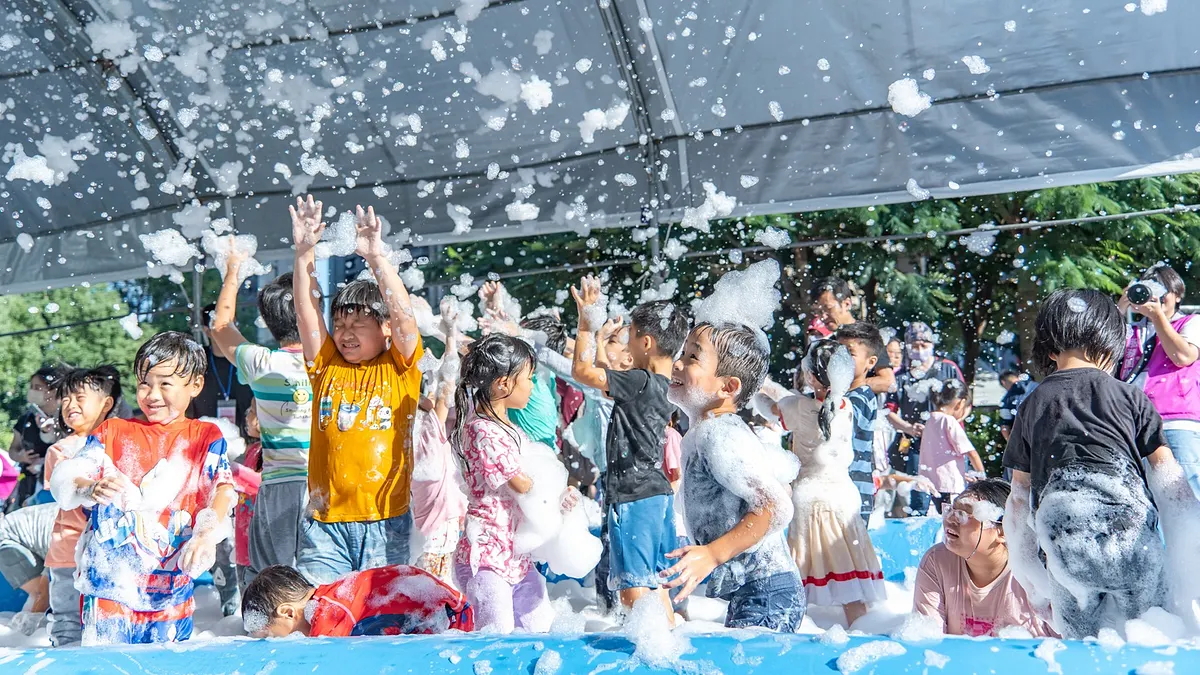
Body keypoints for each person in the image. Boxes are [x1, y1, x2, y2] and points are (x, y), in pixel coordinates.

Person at [1004, 289, 1188, 639]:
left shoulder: (1033, 403)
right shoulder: (1130, 396)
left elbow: (1017, 497)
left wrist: (1029, 573)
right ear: (1109, 343)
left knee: (1082, 649)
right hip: (1132, 543)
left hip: (1066, 549)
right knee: (1152, 640)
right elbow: (1171, 483)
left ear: (1050, 347)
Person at [50, 331, 236, 645]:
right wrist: (87, 487)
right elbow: (72, 476)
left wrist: (205, 534)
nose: (151, 394)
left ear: (195, 385)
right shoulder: (113, 430)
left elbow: (223, 489)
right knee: (106, 665)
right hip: (110, 583)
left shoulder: (205, 436)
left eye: (165, 383)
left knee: (168, 665)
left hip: (171, 584)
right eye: (144, 384)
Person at [291, 198, 423, 585]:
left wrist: (377, 258)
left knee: (382, 620)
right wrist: (304, 253)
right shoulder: (326, 367)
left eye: (358, 323)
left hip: (386, 522)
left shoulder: (401, 368)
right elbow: (306, 313)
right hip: (323, 522)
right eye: (340, 323)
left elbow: (405, 320)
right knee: (322, 618)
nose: (345, 333)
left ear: (383, 329)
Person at [664, 322, 805, 631]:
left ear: (727, 387)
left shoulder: (719, 433)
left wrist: (713, 554)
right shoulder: (702, 432)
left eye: (692, 358)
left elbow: (773, 507)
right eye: (682, 352)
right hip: (759, 590)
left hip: (768, 591)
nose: (677, 362)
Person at [571, 276, 686, 621]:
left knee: (633, 587)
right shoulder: (668, 387)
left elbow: (581, 371)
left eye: (631, 338)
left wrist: (585, 324)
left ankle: (646, 654)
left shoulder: (638, 381)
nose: (628, 345)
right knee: (658, 584)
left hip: (633, 495)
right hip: (658, 493)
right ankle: (668, 640)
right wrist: (604, 343)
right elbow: (609, 381)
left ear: (647, 342)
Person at [209, 251, 313, 583]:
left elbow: (220, 326)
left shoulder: (262, 363)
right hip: (324, 484)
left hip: (278, 484)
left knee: (274, 579)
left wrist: (233, 269)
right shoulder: (331, 364)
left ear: (267, 322)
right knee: (318, 576)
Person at [451, 334, 553, 633]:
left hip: (514, 553)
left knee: (542, 629)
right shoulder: (481, 430)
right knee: (495, 638)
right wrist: (548, 489)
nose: (532, 386)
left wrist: (559, 497)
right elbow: (521, 485)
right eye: (529, 378)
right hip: (485, 553)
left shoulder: (508, 427)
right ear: (504, 384)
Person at [779, 341, 884, 628]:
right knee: (851, 585)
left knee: (796, 584)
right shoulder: (846, 406)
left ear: (811, 376)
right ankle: (862, 637)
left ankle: (789, 647)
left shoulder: (797, 406)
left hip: (811, 500)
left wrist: (759, 383)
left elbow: (772, 409)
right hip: (843, 497)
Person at [913, 479, 1055, 637]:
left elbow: (1065, 650)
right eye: (951, 510)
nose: (951, 519)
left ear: (1003, 530)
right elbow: (927, 641)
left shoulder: (1037, 575)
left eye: (963, 514)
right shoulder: (937, 561)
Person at [43, 366, 123, 647]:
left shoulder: (120, 443)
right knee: (67, 620)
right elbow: (67, 483)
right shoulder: (59, 450)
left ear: (107, 403)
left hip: (108, 551)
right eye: (64, 399)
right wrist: (89, 488)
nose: (69, 405)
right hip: (67, 551)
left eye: (79, 397)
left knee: (106, 622)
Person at [1118, 264, 1200, 500]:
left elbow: (1183, 356)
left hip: (1176, 422)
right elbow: (1098, 352)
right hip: (1134, 426)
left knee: (1187, 496)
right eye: (1149, 289)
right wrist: (1120, 309)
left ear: (1177, 294)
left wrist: (1157, 318)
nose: (1156, 296)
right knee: (1145, 502)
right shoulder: (1132, 331)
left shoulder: (1191, 323)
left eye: (1163, 290)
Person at [241, 564, 472, 638]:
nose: (275, 642)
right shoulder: (333, 597)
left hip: (450, 620)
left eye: (271, 636)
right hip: (445, 609)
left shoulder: (328, 617)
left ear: (288, 613)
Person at [411, 305, 468, 587]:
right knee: (440, 596)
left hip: (424, 535)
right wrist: (450, 337)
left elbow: (440, 391)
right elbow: (447, 388)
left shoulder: (415, 433)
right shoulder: (429, 435)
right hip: (436, 539)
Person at [885, 322, 964, 516]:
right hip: (915, 444)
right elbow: (888, 411)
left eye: (924, 345)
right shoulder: (901, 376)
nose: (919, 350)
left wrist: (947, 424)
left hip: (948, 446)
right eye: (914, 346)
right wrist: (909, 428)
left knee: (949, 501)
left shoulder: (948, 368)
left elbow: (965, 404)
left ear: (932, 345)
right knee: (919, 500)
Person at [834, 322, 888, 524]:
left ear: (871, 362)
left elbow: (840, 424)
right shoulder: (843, 395)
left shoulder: (862, 396)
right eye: (837, 351)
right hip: (840, 488)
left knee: (849, 552)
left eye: (850, 353)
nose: (841, 359)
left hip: (856, 491)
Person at [810, 277, 894, 394]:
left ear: (847, 304)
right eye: (818, 312)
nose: (823, 317)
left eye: (828, 308)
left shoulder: (867, 337)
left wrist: (845, 385)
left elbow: (888, 382)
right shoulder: (828, 342)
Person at [920, 379, 986, 513]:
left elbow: (940, 454)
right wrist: (982, 477)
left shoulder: (930, 419)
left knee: (942, 520)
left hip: (933, 483)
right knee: (954, 520)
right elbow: (971, 452)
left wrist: (962, 474)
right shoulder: (949, 420)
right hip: (949, 485)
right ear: (961, 403)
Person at [8, 365, 68, 510]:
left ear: (52, 391)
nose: (32, 391)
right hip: (28, 483)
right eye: (32, 386)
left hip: (53, 487)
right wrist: (21, 456)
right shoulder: (26, 419)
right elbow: (13, 450)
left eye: (38, 387)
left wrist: (44, 463)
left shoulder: (67, 418)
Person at [187, 304, 254, 431]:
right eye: (221, 326)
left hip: (245, 439)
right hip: (204, 439)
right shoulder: (197, 361)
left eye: (232, 325)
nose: (229, 330)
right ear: (207, 331)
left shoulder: (248, 358)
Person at [0, 503, 57, 635]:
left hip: (22, 531)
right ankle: (25, 638)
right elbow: (44, 593)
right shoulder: (70, 533)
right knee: (43, 594)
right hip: (8, 539)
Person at [997, 370, 1037, 442]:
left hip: (1030, 437)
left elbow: (1004, 427)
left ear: (1003, 382)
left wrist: (1010, 444)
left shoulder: (1006, 401)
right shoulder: (1036, 385)